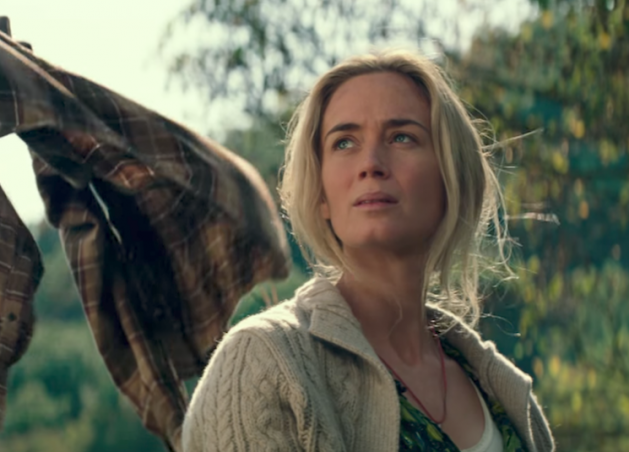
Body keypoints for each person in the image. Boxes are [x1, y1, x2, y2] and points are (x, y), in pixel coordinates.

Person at [181, 50, 555, 452]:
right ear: (321, 194)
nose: (371, 164)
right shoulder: (261, 361)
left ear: (451, 178)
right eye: (344, 142)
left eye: (401, 137)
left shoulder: (506, 393)